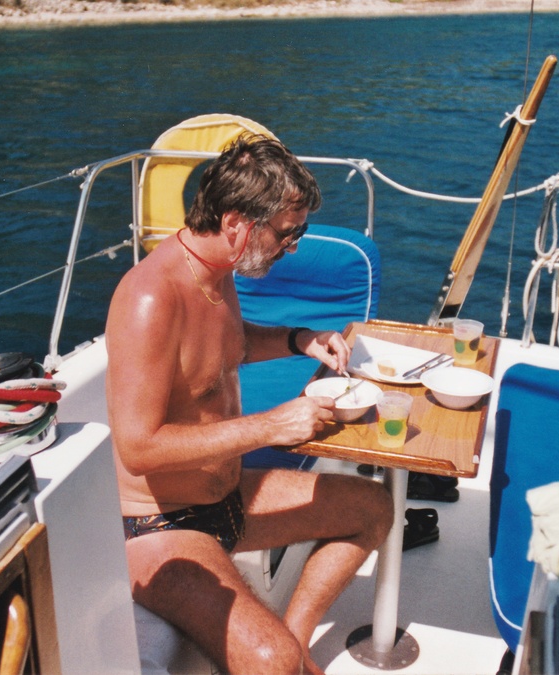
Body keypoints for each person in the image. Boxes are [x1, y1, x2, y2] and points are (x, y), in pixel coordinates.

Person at [105, 135, 394, 675]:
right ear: (237, 221)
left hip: (228, 498)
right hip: (161, 527)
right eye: (288, 234)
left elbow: (227, 347)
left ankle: (297, 644)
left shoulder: (218, 271)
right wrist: (271, 426)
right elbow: (138, 447)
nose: (294, 247)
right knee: (270, 662)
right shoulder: (150, 297)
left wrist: (299, 338)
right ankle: (285, 657)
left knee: (373, 510)